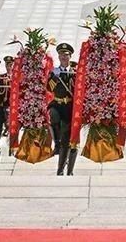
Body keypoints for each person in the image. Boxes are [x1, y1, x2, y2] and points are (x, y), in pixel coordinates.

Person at [48, 43, 77, 175]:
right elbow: (49, 88)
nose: (63, 57)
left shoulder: (75, 72)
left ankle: (62, 169)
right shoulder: (54, 71)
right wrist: (55, 76)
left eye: (66, 55)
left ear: (70, 56)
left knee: (67, 139)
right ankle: (56, 142)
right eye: (61, 55)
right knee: (52, 116)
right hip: (57, 104)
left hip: (70, 106)